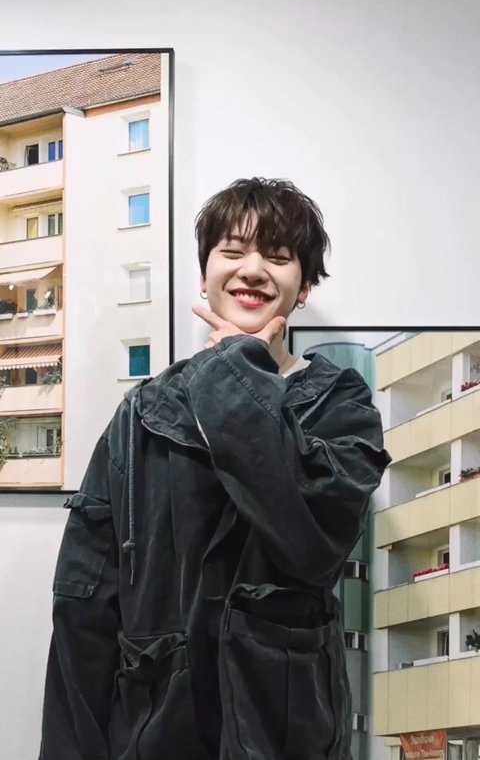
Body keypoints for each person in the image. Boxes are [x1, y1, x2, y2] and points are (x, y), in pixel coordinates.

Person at [39, 177, 391, 760]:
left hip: (285, 730)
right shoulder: (144, 413)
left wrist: (235, 366)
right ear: (204, 275)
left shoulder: (340, 402)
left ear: (304, 286)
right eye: (232, 251)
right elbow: (83, 605)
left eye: (277, 256)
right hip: (158, 729)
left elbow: (311, 544)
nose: (252, 270)